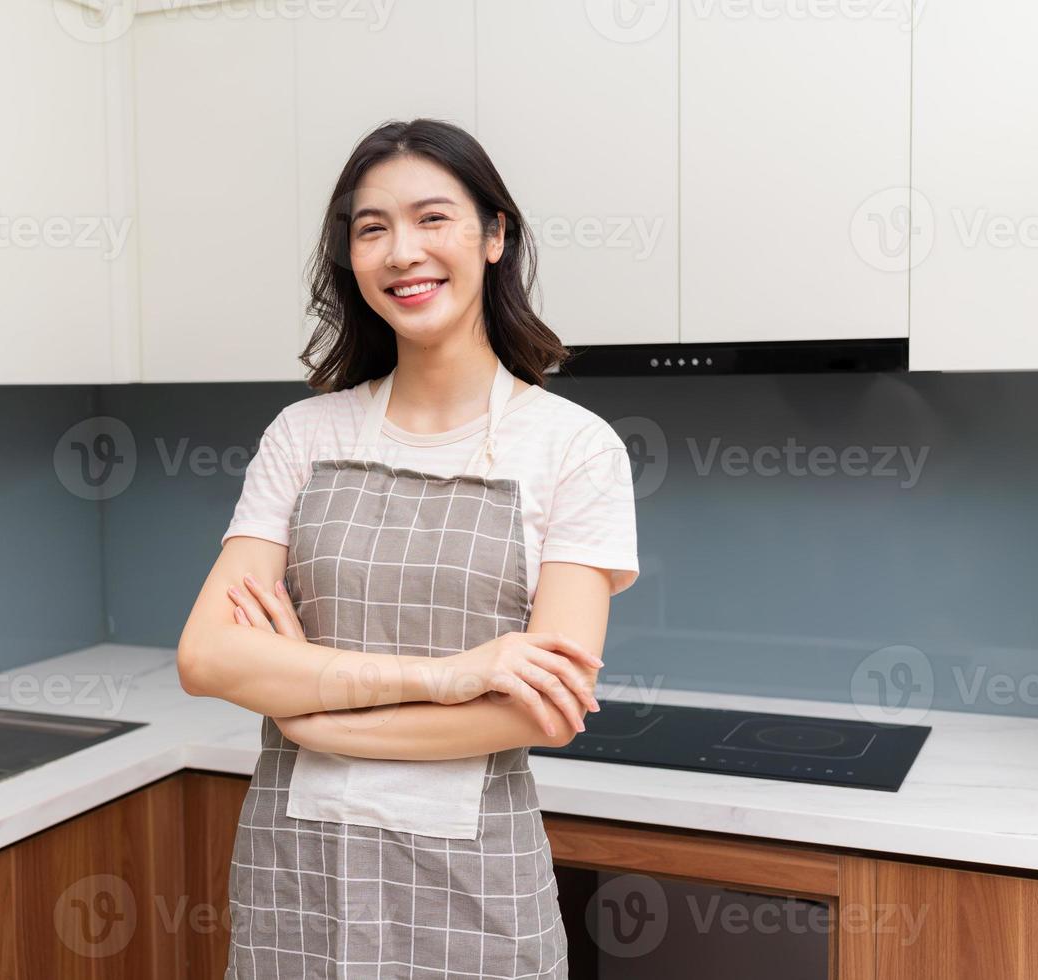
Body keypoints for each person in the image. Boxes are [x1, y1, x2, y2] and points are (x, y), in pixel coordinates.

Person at [177, 117, 640, 980]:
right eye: (372, 228)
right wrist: (448, 677)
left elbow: (545, 710)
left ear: (495, 235)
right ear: (350, 259)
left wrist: (303, 704)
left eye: (434, 218)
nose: (402, 252)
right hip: (296, 872)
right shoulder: (303, 435)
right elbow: (206, 658)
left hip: (476, 889)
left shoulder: (573, 447)